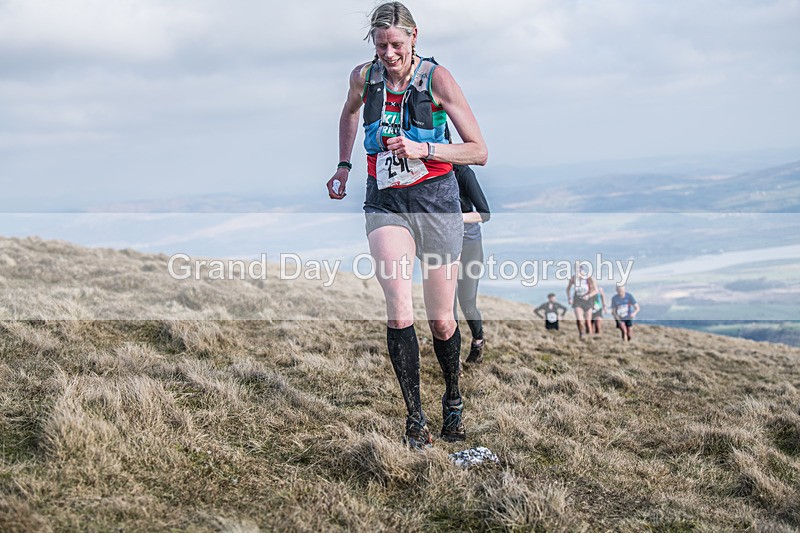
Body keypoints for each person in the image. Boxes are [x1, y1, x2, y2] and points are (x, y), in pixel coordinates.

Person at [326, 2, 488, 449]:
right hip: (386, 203)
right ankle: (415, 420)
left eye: (396, 44)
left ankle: (452, 401)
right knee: (399, 308)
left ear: (415, 37)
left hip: (436, 202)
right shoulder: (365, 76)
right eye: (381, 46)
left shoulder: (437, 79)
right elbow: (349, 113)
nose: (389, 54)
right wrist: (343, 165)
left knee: (440, 320)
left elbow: (478, 151)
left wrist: (425, 149)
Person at [453, 164, 490, 365]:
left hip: (469, 243)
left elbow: (485, 214)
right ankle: (453, 357)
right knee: (446, 306)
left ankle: (478, 340)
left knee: (466, 302)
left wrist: (452, 219)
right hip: (441, 243)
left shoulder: (463, 173)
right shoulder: (421, 170)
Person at [566, 266, 597, 339]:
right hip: (578, 300)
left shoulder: (588, 278)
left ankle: (590, 336)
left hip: (587, 300)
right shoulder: (573, 278)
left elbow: (596, 290)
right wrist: (569, 298)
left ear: (582, 270)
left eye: (579, 271)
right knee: (579, 319)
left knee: (588, 322)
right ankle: (581, 334)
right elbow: (568, 289)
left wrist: (589, 296)